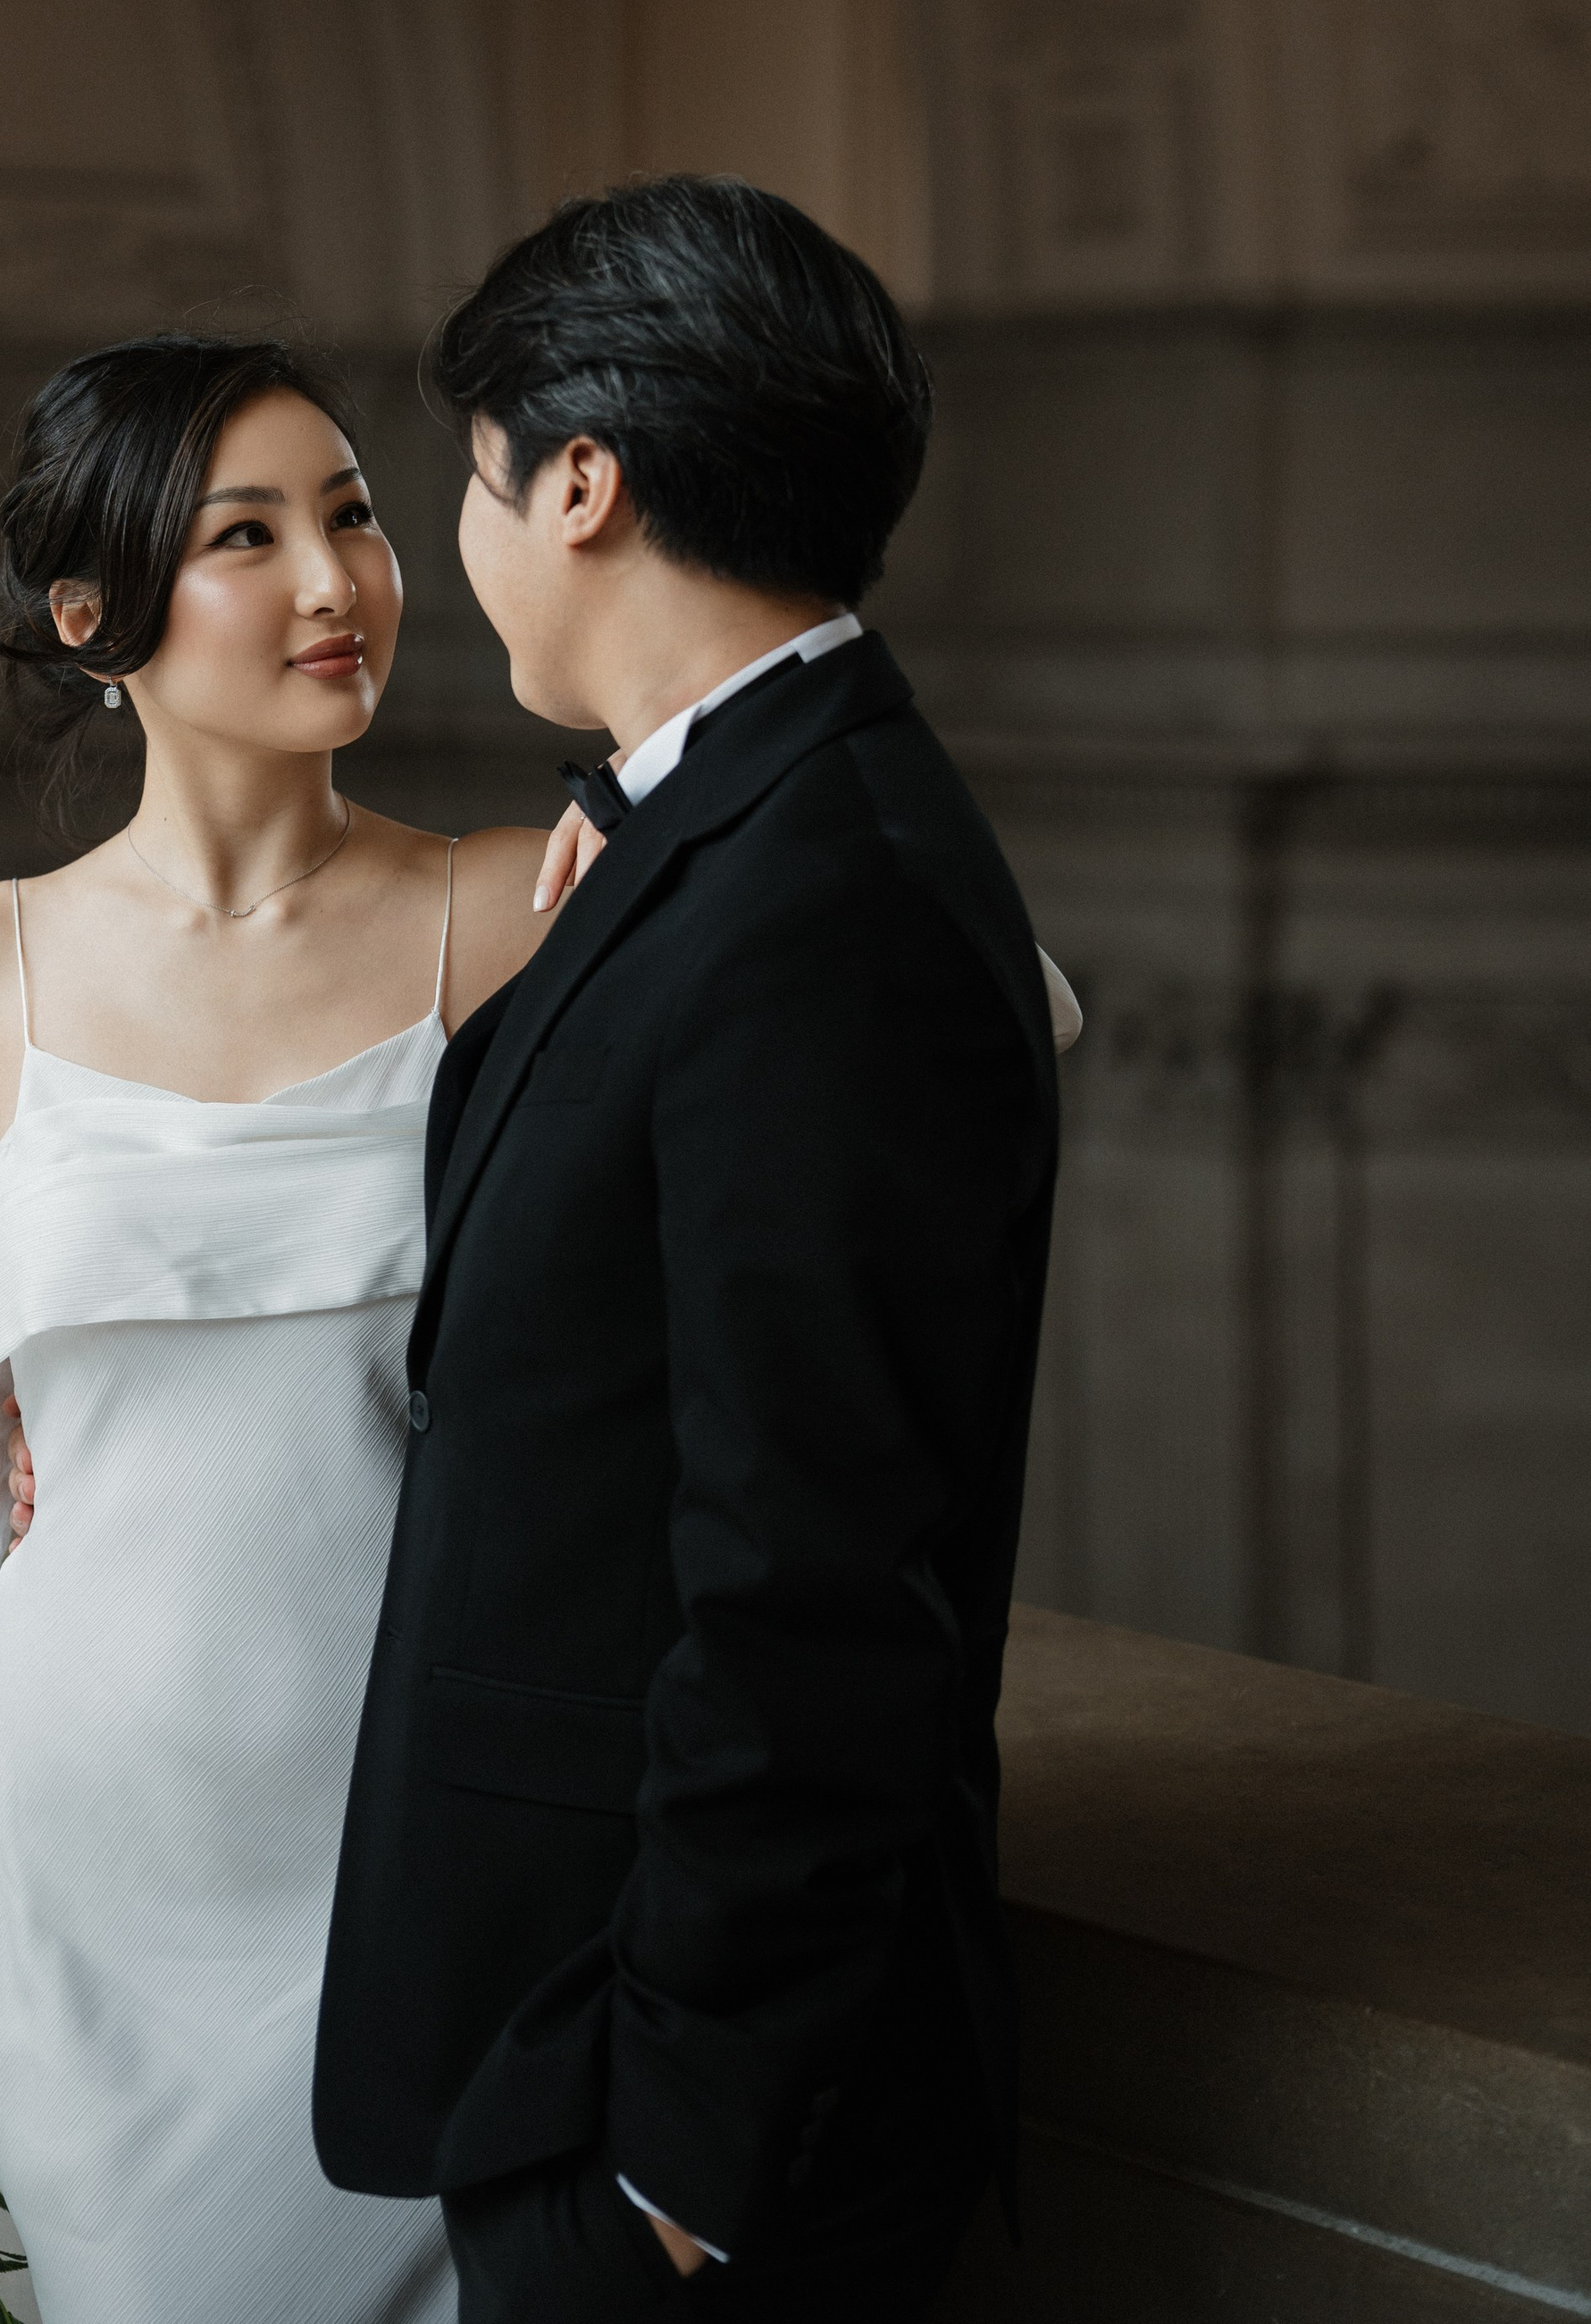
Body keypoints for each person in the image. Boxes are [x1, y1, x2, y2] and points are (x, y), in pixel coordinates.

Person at [310, 176, 1068, 2320]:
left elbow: (814, 1576)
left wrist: (681, 2156)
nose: (449, 553)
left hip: (682, 2124)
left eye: (464, 482)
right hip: (575, 2034)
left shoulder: (813, 894)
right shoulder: (740, 824)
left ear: (579, 479)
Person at [0, 331, 558, 2324]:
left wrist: (681, 873)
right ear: (93, 615)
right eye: (251, 535)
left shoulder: (512, 912)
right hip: (87, 1867)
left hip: (401, 1867)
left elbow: (961, 999)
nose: (337, 582)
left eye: (357, 516)